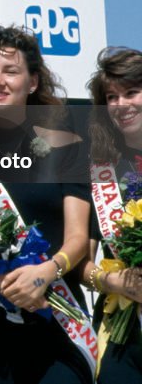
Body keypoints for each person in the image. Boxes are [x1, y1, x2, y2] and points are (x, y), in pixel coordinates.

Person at [0, 25, 92, 384]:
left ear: (33, 82)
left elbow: (77, 239)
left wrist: (44, 273)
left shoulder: (66, 146)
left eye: (10, 71)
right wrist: (8, 283)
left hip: (58, 317)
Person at [83, 47, 142, 382]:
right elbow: (82, 261)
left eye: (131, 92)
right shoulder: (98, 168)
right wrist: (111, 280)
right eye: (111, 96)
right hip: (122, 332)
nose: (121, 105)